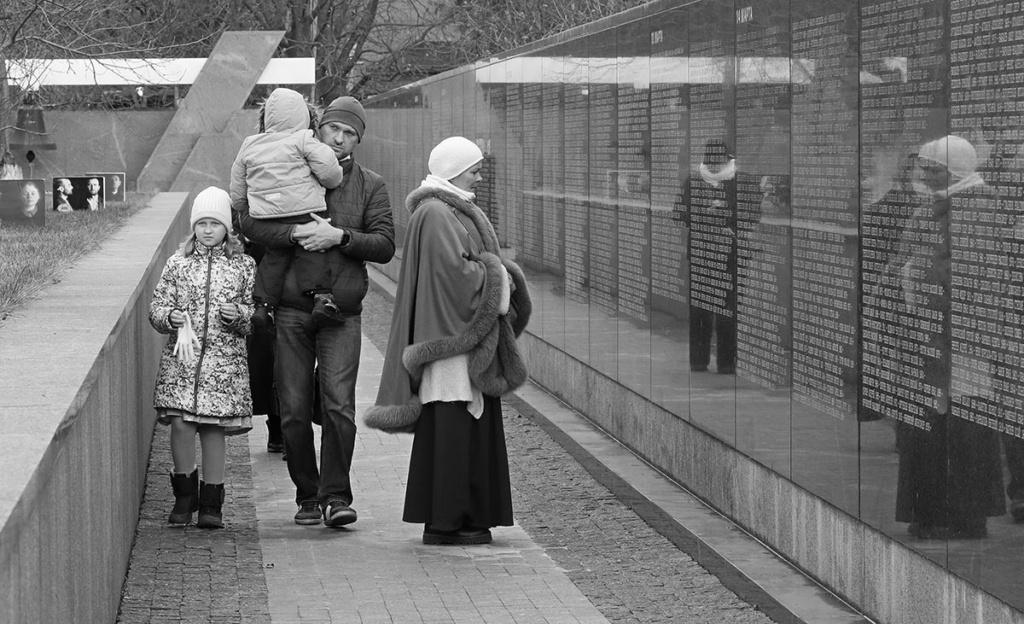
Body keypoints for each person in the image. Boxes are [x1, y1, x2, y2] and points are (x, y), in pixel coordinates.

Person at [234, 95, 395, 528]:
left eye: (350, 134)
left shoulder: (370, 185)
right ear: (316, 129)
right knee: (292, 410)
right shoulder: (287, 165)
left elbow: (384, 244)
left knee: (339, 407)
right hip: (290, 311)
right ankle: (307, 495)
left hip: (342, 312)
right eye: (334, 130)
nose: (339, 139)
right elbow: (247, 221)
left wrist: (339, 237)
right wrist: (294, 233)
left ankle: (336, 496)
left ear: (358, 140)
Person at [364, 136, 532, 545]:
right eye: (474, 169)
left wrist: (493, 273)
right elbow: (456, 278)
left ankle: (452, 516)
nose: (479, 175)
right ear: (454, 170)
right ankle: (450, 520)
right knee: (454, 428)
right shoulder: (438, 212)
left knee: (456, 428)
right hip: (451, 341)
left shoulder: (444, 208)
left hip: (453, 337)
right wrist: (500, 276)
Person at [889, 136, 1005, 539]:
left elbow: (969, 278)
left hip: (963, 342)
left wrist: (916, 272)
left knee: (964, 431)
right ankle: (933, 513)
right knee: (932, 428)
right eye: (924, 168)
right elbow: (905, 258)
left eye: (933, 169)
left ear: (956, 171)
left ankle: (962, 517)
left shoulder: (976, 209)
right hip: (931, 335)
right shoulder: (934, 206)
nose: (924, 176)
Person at [149, 186, 256, 529]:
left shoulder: (243, 266)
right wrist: (170, 317)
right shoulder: (177, 264)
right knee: (181, 425)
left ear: (228, 228)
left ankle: (212, 503)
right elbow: (157, 306)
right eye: (202, 223)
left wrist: (238, 314)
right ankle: (184, 495)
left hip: (223, 366)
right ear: (193, 226)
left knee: (212, 429)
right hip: (183, 362)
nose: (208, 230)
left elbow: (253, 314)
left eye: (215, 223)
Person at [230, 88, 345, 331]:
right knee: (313, 251)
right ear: (304, 116)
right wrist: (335, 179)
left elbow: (238, 181)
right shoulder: (303, 138)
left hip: (266, 212)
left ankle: (263, 306)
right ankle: (322, 299)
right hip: (303, 208)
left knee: (274, 257)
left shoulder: (250, 143)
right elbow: (328, 170)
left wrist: (240, 204)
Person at [676, 139, 738, 374]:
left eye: (718, 161)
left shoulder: (737, 181)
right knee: (700, 311)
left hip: (728, 255)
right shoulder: (693, 181)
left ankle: (726, 362)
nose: (713, 165)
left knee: (727, 312)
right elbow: (678, 212)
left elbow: (751, 214)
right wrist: (705, 214)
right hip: (701, 253)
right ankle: (699, 360)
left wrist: (726, 217)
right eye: (710, 161)